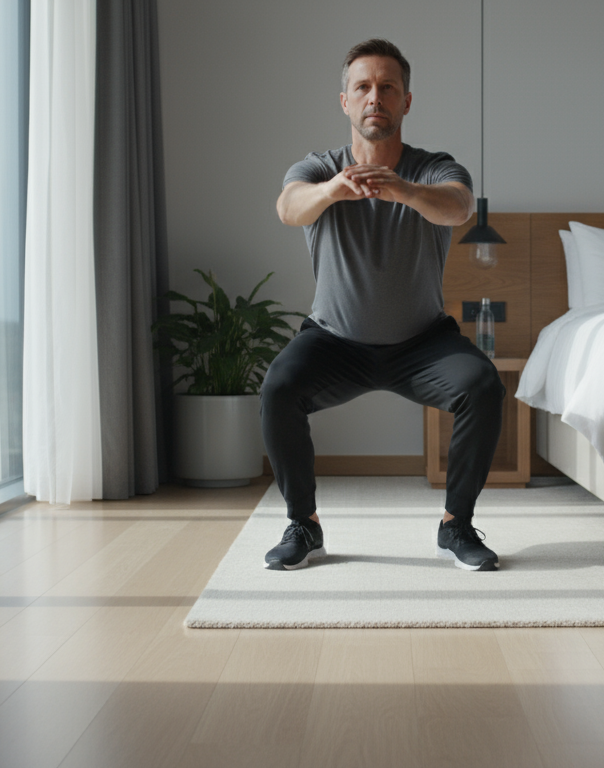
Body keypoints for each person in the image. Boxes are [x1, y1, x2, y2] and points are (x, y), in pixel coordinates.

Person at [263, 38, 505, 572]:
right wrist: (333, 191)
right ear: (345, 101)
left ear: (406, 101)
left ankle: (456, 526)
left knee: (483, 385)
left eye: (387, 87)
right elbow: (288, 208)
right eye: (363, 87)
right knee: (278, 387)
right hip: (333, 341)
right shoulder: (317, 167)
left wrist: (403, 191)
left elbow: (460, 206)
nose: (376, 96)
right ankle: (303, 524)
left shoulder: (434, 167)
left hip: (422, 343)